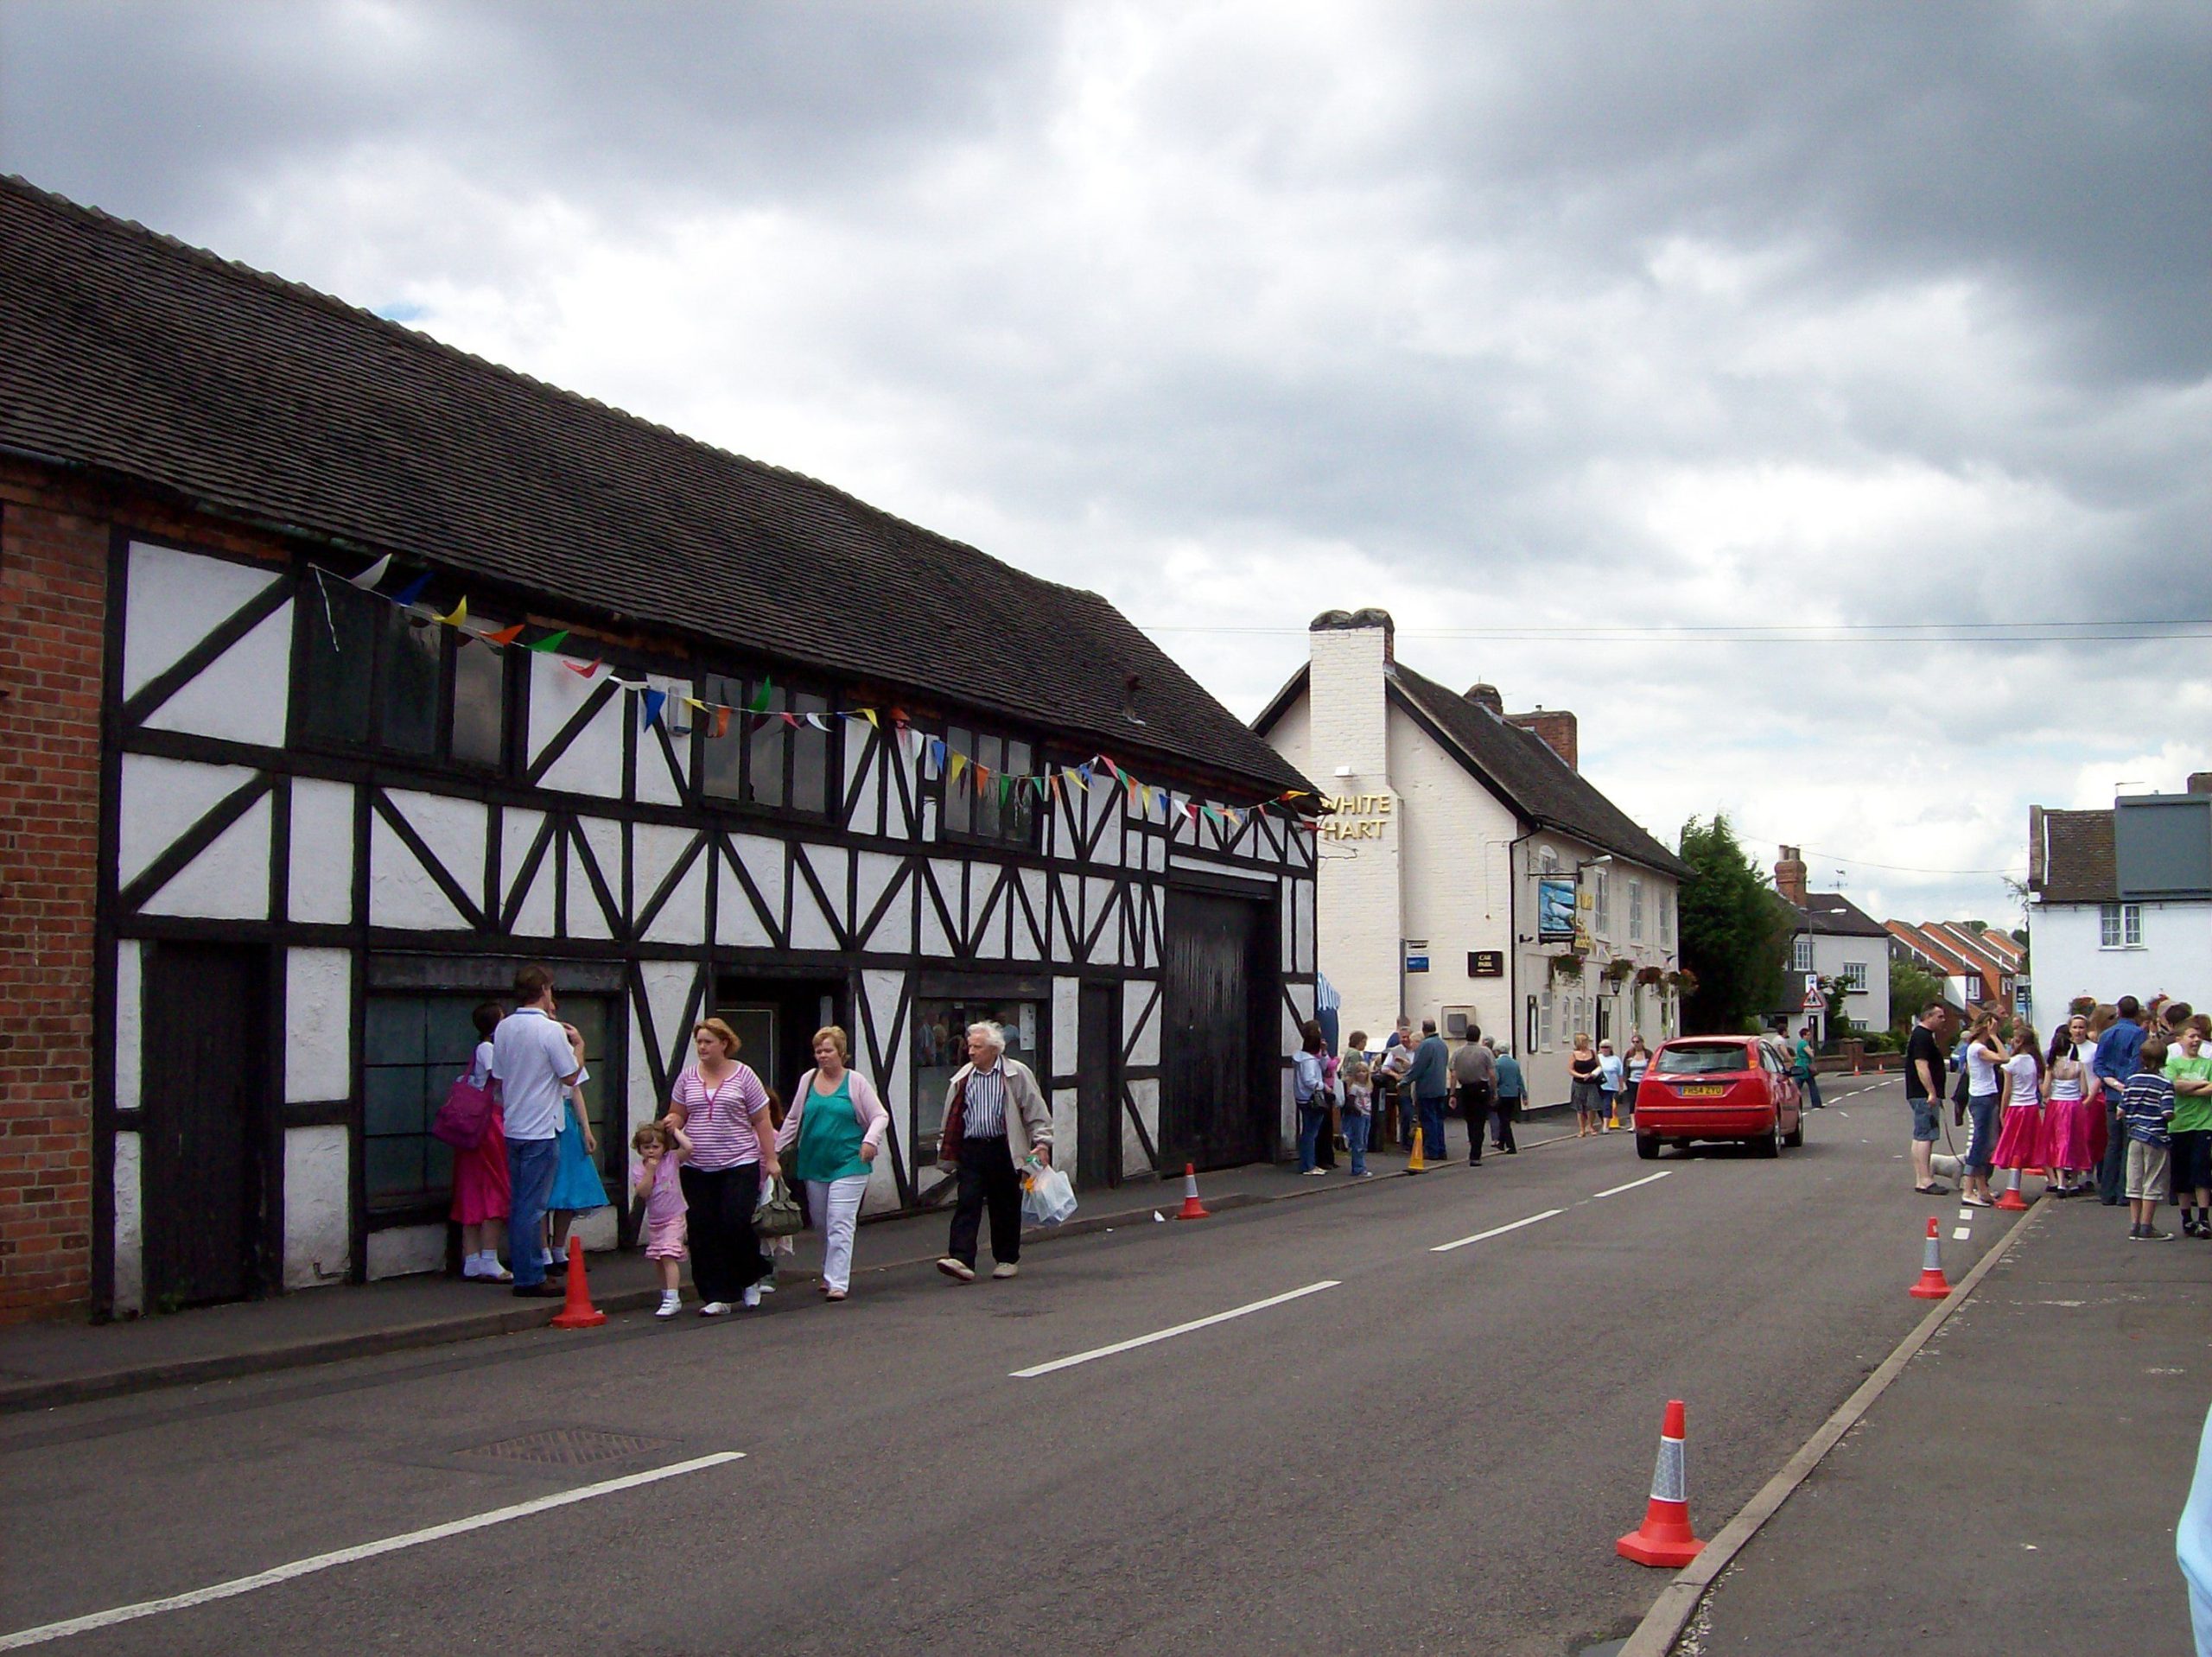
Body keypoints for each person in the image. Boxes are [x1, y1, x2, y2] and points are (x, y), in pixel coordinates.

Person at [666, 1018, 780, 1316]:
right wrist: (672, 1124)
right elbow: (678, 1112)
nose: (702, 1048)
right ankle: (716, 1295)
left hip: (739, 1161)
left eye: (708, 1042)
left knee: (735, 1222)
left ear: (724, 1044)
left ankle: (749, 1277)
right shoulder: (688, 1077)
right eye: (699, 1042)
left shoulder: (744, 1076)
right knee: (703, 1230)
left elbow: (762, 1120)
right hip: (697, 1165)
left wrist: (770, 1159)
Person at [491, 965, 586, 1298]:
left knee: (520, 1203)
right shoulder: (549, 1031)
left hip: (514, 1124)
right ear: (544, 990)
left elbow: (499, 1076)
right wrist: (580, 1046)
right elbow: (570, 1076)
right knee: (533, 1207)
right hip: (542, 1127)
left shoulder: (504, 1028)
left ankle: (525, 1268)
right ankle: (531, 1275)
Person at [779, 1025, 889, 1299]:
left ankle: (837, 1282)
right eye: (818, 1051)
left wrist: (870, 1141)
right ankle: (828, 1271)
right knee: (822, 1223)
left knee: (840, 1221)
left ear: (841, 1053)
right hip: (814, 1161)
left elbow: (879, 1115)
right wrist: (774, 1154)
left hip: (849, 1161)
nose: (822, 1056)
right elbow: (793, 1119)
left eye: (828, 1050)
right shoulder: (808, 1080)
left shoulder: (855, 1082)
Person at [937, 1020, 1052, 1281]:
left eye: (977, 1047)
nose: (971, 1051)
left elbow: (1035, 1109)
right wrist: (945, 1146)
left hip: (1003, 1146)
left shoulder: (1016, 1073)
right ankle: (961, 1258)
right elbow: (952, 1115)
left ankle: (1007, 1258)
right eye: (970, 1046)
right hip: (972, 1147)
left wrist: (1042, 1142)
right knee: (967, 1201)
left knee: (1005, 1204)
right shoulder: (963, 1077)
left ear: (993, 1049)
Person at [453, 1000, 512, 1282]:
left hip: (474, 1126)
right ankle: (488, 1256)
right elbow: (501, 1079)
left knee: (472, 1186)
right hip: (490, 1124)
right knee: (495, 1186)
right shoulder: (489, 1050)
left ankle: (472, 1258)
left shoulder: (481, 1049)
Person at [543, 1072, 608, 1273]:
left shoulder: (569, 1053)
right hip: (541, 1117)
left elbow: (576, 1090)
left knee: (569, 1186)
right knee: (543, 1190)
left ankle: (558, 1249)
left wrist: (586, 1129)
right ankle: (543, 1252)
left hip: (567, 1121)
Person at [632, 1118, 692, 1316]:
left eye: (656, 1147)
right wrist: (650, 1171)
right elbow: (643, 1192)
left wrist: (674, 1131)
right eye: (646, 1147)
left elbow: (689, 1147)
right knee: (658, 1257)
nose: (651, 1151)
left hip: (674, 1216)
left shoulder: (672, 1159)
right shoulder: (639, 1169)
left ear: (664, 1147)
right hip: (656, 1220)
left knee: (668, 1254)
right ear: (639, 1149)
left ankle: (673, 1297)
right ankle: (666, 1293)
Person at [2094, 996, 2150, 1206]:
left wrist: (2112, 1082)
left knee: (2113, 1142)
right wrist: (2125, 1085)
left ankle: (2107, 1191)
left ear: (2118, 1011)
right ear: (2136, 1013)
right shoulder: (2138, 1034)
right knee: (2129, 1144)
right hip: (2131, 1095)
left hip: (2111, 1094)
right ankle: (2124, 1191)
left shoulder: (2107, 1034)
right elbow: (2136, 1063)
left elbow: (2098, 1064)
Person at [2122, 1038, 2177, 1241]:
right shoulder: (2164, 1084)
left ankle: (2134, 1225)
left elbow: (2124, 1106)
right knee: (2152, 1180)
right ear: (2164, 1059)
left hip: (2135, 1134)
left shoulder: (2131, 1080)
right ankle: (2147, 1226)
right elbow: (2167, 1112)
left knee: (2134, 1180)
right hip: (2155, 1136)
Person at [2165, 1019, 2212, 1239]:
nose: (2195, 1040)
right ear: (2180, 1040)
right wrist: (2199, 1085)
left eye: (2198, 1036)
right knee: (2181, 1172)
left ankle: (2204, 1217)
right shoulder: (2173, 1063)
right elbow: (2174, 1085)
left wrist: (2189, 1087)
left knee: (2201, 1169)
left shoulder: (2208, 1063)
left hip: (2204, 1123)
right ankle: (2187, 1218)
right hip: (2179, 1123)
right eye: (2191, 1036)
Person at [1991, 1021, 2048, 1199]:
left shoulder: (2011, 1063)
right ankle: (2053, 1181)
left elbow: (2007, 1090)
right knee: (2031, 1144)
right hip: (2031, 1107)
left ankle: (2013, 1186)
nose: (2012, 1043)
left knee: (2013, 1145)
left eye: (2015, 1039)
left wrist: (2002, 1111)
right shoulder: (2034, 1061)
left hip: (2016, 1107)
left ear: (2020, 1041)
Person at [1904, 1002, 1952, 1195]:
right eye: (1939, 1016)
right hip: (1923, 1095)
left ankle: (1921, 1177)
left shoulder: (1921, 1036)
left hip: (1919, 1093)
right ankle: (1925, 1179)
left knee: (1920, 1135)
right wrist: (1931, 1092)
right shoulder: (1923, 1037)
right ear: (1928, 1017)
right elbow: (1921, 1066)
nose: (1943, 1020)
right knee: (1926, 1136)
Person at [1959, 1014, 2005, 1208]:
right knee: (1980, 1144)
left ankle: (1982, 1189)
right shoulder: (1978, 1048)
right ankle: (1968, 1190)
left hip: (1985, 1096)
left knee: (1987, 1144)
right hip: (1982, 1099)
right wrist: (1994, 1037)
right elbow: (2004, 1058)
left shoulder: (1976, 1048)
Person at [2041, 1039, 2095, 1197]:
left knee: (2058, 1142)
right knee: (2076, 1141)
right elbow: (2084, 1089)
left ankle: (2060, 1182)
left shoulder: (2051, 1067)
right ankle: (2075, 1182)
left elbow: (2045, 1092)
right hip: (2074, 1105)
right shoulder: (2079, 1065)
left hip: (2057, 1105)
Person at [1404, 1019, 1452, 1163]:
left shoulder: (1425, 1046)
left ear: (1424, 1030)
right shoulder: (1443, 1045)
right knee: (1438, 1120)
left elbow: (1418, 1067)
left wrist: (1404, 1081)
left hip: (1427, 1088)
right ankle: (1441, 1149)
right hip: (1440, 1087)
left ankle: (1432, 1150)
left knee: (1429, 1120)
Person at [1451, 1026, 1496, 1167]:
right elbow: (1492, 1074)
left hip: (1465, 1089)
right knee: (1480, 1121)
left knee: (1470, 1120)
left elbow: (1453, 1075)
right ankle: (1476, 1153)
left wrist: (1452, 1094)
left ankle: (1473, 1145)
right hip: (1481, 1088)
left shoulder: (1458, 1053)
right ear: (1478, 1036)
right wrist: (1494, 1091)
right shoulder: (1486, 1052)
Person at [1293, 1023, 1330, 1175]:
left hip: (1302, 1098)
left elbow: (1324, 1066)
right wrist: (1323, 1086)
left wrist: (1324, 1052)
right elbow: (1309, 1080)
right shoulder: (1308, 1061)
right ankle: (1308, 1165)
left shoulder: (1304, 1059)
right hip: (1310, 1099)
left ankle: (1309, 1163)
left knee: (1309, 1131)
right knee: (1310, 1133)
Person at [1341, 1032, 1374, 1178]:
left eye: (1364, 1071)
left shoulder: (1367, 1086)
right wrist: (1358, 1111)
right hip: (1360, 1113)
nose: (1362, 1074)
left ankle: (1361, 1166)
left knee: (1363, 1140)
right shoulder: (1355, 1054)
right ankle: (1358, 1167)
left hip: (1366, 1113)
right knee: (1359, 1141)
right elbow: (1351, 1101)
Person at [1376, 1037, 1416, 1150]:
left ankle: (1417, 1142)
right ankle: (1406, 1143)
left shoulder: (1418, 1050)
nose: (1405, 1039)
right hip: (1404, 1087)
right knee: (1407, 1114)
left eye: (1407, 1037)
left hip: (1417, 1087)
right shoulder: (1394, 1051)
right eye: (1402, 1037)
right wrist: (1395, 1075)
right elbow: (1384, 1068)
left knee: (1417, 1116)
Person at [1491, 1040, 1524, 1154]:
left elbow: (1496, 1079)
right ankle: (1501, 1142)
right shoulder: (1515, 1063)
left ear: (1498, 1051)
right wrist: (1524, 1094)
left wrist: (1493, 1091)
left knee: (1503, 1120)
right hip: (1513, 1094)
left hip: (1502, 1094)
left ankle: (1511, 1146)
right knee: (1506, 1118)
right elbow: (1520, 1079)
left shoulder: (1497, 1063)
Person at [1569, 1033, 1603, 1139]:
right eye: (1583, 1041)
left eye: (1586, 1040)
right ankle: (1582, 1129)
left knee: (1592, 1105)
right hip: (1579, 1083)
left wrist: (1593, 1074)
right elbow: (1570, 1070)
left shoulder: (1592, 1053)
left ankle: (1591, 1126)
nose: (1586, 1043)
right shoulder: (1574, 1054)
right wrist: (1581, 1075)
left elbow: (1599, 1066)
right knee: (1580, 1107)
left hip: (1591, 1083)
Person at [1595, 1038, 1624, 1133]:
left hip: (1610, 1086)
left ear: (1610, 1048)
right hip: (1598, 1085)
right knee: (1598, 1106)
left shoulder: (1615, 1059)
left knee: (1607, 1105)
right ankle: (1603, 1122)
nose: (1604, 1049)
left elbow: (1620, 1074)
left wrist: (1621, 1086)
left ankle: (1606, 1126)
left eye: (1607, 1047)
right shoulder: (1597, 1058)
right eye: (1602, 1047)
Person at [1792, 1025, 1823, 1110]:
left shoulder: (1799, 1043)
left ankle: (1794, 1103)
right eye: (1808, 1035)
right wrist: (1812, 1051)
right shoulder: (1804, 1043)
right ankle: (1816, 1103)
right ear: (1804, 1035)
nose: (1810, 1036)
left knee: (1798, 1086)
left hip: (1800, 1066)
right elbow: (1811, 1054)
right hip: (1805, 1067)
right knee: (1811, 1085)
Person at [1624, 1035, 1651, 1123]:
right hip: (1632, 1081)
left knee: (1644, 1101)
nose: (1635, 1044)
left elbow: (1652, 1067)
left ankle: (1645, 1121)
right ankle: (1634, 1124)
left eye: (1637, 1042)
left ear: (1642, 1042)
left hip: (1644, 1082)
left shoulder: (1648, 1054)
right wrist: (1626, 1080)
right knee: (1632, 1101)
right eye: (1633, 1042)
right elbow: (1625, 1067)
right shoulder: (1630, 1053)